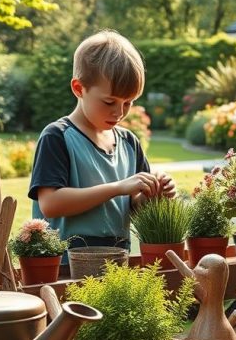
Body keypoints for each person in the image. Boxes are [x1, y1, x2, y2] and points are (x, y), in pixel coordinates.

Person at [29, 30, 176, 255]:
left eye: (128, 103)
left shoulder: (129, 142)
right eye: (109, 102)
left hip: (117, 262)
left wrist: (152, 194)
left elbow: (134, 210)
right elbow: (50, 204)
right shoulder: (57, 136)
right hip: (66, 267)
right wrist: (117, 188)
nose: (119, 112)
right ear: (79, 89)